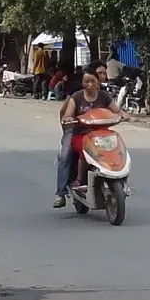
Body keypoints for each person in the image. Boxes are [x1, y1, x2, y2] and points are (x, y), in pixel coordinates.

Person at [54, 67, 115, 207]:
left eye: (93, 81)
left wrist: (123, 115)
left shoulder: (104, 96)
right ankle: (60, 193)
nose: (90, 85)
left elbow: (116, 110)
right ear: (82, 82)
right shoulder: (76, 96)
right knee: (65, 157)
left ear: (97, 82)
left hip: (100, 134)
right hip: (78, 132)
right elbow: (66, 114)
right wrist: (69, 118)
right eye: (87, 81)